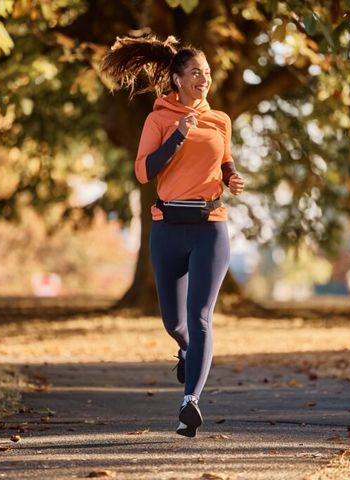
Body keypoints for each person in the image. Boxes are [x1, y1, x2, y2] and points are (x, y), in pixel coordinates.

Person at [101, 35, 244, 437]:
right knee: (174, 322)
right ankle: (185, 351)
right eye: (196, 72)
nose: (205, 78)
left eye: (208, 73)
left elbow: (225, 159)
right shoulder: (159, 119)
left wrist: (232, 177)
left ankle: (190, 402)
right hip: (167, 228)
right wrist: (178, 135)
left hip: (210, 226)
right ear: (177, 79)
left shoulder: (221, 120)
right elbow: (145, 172)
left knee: (200, 317)